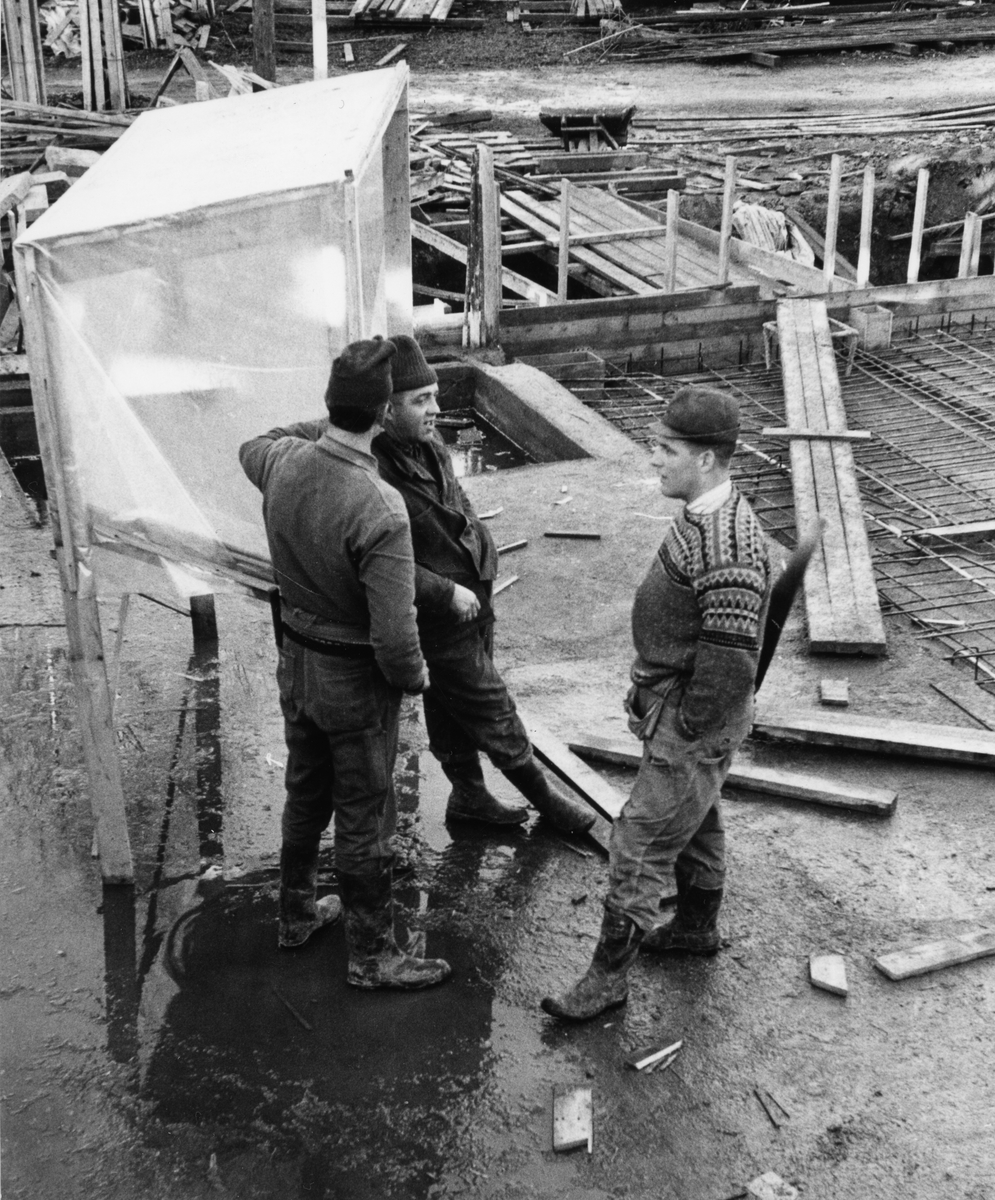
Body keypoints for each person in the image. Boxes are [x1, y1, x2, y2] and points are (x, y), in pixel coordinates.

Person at [541, 385, 773, 1021]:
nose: (653, 459)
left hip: (694, 715)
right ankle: (696, 928)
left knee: (638, 841)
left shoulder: (728, 544)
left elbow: (729, 665)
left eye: (665, 449)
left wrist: (686, 729)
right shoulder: (701, 512)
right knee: (695, 819)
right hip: (674, 700)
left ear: (705, 459)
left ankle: (607, 979)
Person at [239, 336, 450, 991]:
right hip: (353, 681)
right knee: (364, 816)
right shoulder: (379, 507)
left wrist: (333, 420)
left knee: (305, 795)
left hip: (296, 663)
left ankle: (296, 912)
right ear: (385, 416)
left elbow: (255, 442)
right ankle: (371, 957)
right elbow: (393, 635)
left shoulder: (283, 463)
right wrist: (415, 678)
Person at [372, 335, 595, 836]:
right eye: (419, 400)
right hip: (437, 610)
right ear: (385, 410)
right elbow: (381, 564)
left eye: (434, 394)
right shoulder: (374, 470)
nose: (435, 408)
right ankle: (545, 798)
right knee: (490, 702)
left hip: (475, 593)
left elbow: (457, 502)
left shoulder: (427, 444)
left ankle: (468, 794)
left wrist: (480, 554)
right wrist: (443, 591)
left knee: (452, 700)